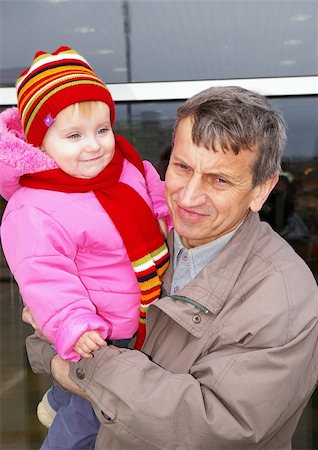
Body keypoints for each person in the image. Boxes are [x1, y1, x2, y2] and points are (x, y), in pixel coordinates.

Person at [24, 86, 318, 449]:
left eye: (219, 179)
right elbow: (48, 321)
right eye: (182, 167)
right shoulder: (139, 232)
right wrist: (56, 337)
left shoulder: (284, 293)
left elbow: (217, 426)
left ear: (261, 189)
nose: (188, 196)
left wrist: (82, 368)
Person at [0, 46, 170, 449]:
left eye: (102, 129)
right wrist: (74, 325)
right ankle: (65, 411)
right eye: (73, 136)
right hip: (98, 335)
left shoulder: (123, 165)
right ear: (42, 143)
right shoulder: (36, 206)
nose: (94, 146)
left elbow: (150, 185)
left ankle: (58, 398)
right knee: (85, 423)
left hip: (143, 312)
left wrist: (163, 210)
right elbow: (44, 277)